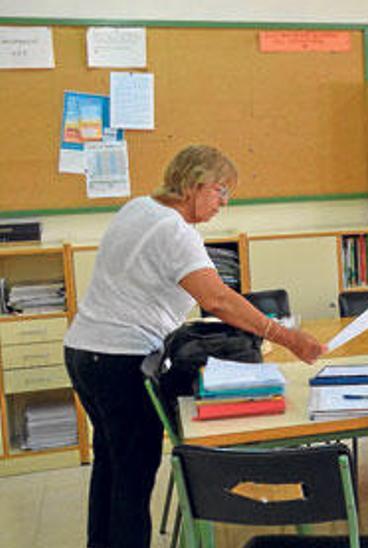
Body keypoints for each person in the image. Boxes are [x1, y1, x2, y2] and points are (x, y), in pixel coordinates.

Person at [63, 145, 326, 548]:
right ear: (193, 184)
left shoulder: (138, 208)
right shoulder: (174, 230)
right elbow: (217, 299)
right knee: (132, 477)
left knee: (111, 467)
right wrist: (287, 337)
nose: (224, 202)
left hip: (84, 353)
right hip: (120, 359)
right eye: (220, 191)